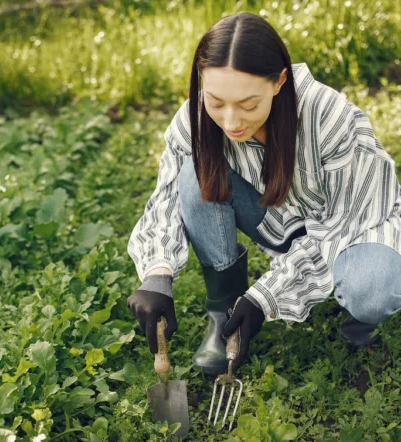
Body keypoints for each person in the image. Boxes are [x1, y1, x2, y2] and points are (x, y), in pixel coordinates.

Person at [126, 12, 401, 376]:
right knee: (193, 171)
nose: (230, 121)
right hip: (280, 221)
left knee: (371, 291)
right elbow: (166, 197)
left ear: (279, 81)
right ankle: (224, 315)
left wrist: (262, 297)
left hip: (355, 227)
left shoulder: (328, 116)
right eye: (216, 101)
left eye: (248, 104)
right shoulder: (195, 116)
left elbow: (341, 226)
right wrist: (157, 274)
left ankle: (353, 305)